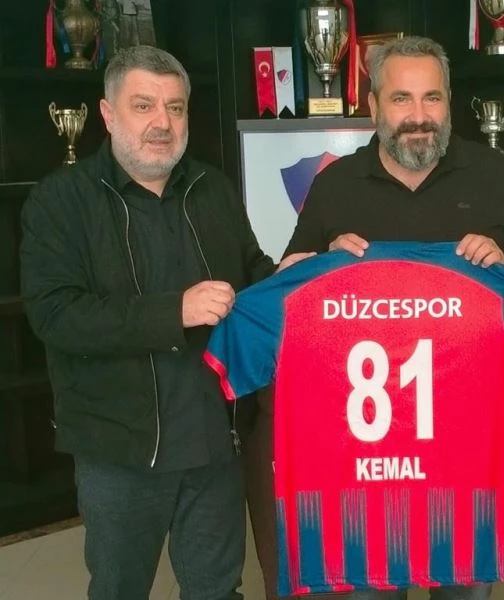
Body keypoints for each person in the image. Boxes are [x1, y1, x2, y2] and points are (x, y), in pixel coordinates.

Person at [248, 35, 504, 600]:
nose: (419, 116)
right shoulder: (335, 184)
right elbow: (291, 281)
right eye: (401, 99)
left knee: (464, 586)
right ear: (373, 106)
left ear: (449, 101)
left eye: (432, 98)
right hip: (364, 456)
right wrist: (317, 265)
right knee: (371, 587)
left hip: (467, 448)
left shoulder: (494, 173)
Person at [20, 45, 301, 599]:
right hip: (118, 451)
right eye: (143, 105)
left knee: (217, 590)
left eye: (175, 107)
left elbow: (250, 276)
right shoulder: (60, 201)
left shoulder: (213, 188)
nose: (162, 123)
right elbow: (56, 314)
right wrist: (174, 312)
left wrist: (293, 278)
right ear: (108, 114)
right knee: (120, 589)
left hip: (215, 440)